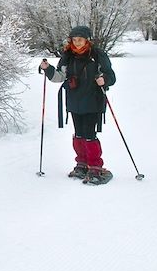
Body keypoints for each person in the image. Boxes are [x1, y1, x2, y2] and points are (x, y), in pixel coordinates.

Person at [39, 25, 116, 185]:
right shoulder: (68, 56)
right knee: (79, 133)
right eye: (74, 40)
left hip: (93, 100)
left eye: (80, 40)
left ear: (87, 40)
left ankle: (95, 167)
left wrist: (105, 80)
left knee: (89, 134)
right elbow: (59, 76)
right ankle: (81, 164)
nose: (77, 43)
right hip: (74, 101)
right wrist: (47, 69)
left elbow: (111, 76)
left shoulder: (97, 55)